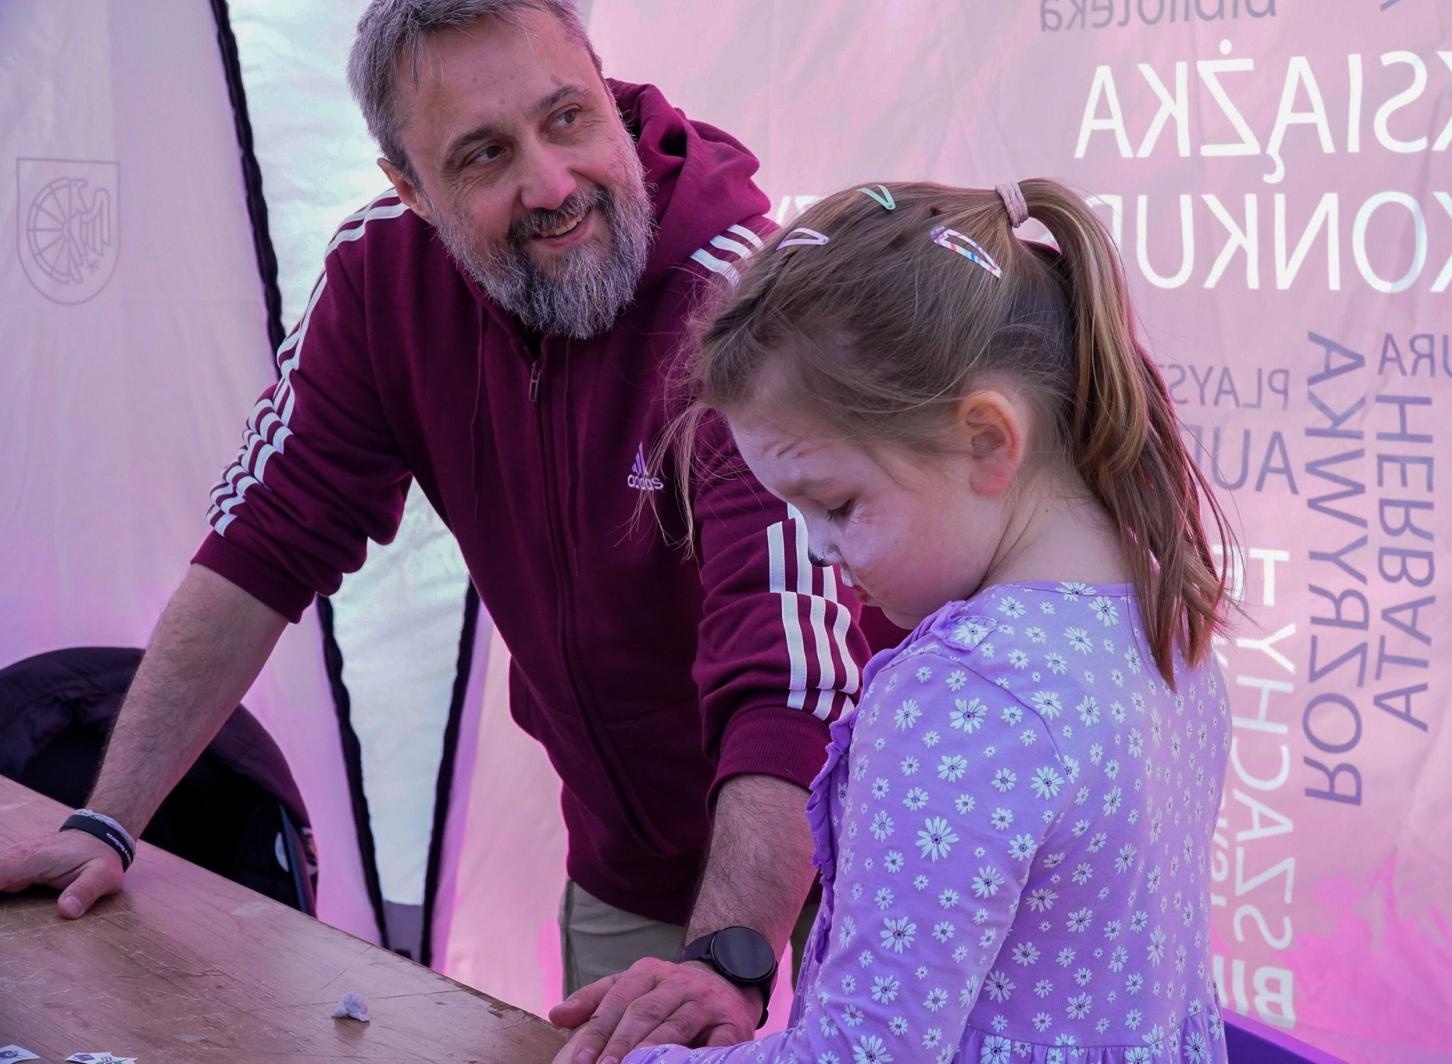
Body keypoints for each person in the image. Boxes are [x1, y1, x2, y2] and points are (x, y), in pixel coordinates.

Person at [0, 0, 868, 1052]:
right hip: (625, 866)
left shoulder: (737, 303)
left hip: (852, 862)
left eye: (565, 118)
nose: (549, 184)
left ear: (605, 85)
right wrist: (105, 818)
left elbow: (791, 669)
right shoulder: (380, 281)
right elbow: (261, 545)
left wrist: (727, 956)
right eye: (484, 155)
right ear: (408, 187)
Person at [558, 179, 1237, 1063]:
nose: (821, 550)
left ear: (988, 442)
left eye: (836, 503)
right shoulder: (1159, 621)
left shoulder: (964, 699)